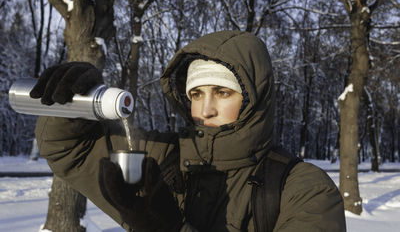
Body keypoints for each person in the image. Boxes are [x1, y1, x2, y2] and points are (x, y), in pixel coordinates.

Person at [32, 30, 346, 232]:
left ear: (254, 98)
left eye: (222, 93)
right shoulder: (166, 156)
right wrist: (77, 102)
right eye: (196, 94)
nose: (205, 109)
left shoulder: (304, 190)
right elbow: (70, 150)